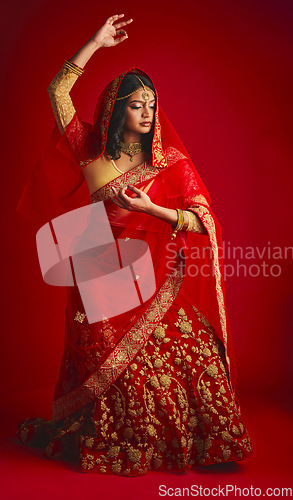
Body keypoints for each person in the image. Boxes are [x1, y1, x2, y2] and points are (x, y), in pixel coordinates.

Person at [16, 15, 253, 476]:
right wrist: (94, 43)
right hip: (96, 269)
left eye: (153, 105)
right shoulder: (88, 148)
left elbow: (204, 223)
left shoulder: (168, 162)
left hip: (153, 272)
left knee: (187, 348)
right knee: (111, 370)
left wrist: (153, 210)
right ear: (116, 109)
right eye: (137, 105)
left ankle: (190, 437)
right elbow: (57, 93)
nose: (148, 113)